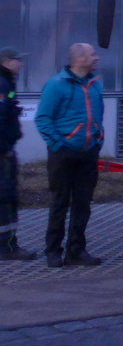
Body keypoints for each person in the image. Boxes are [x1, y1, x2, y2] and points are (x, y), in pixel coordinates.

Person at [36, 42, 105, 267]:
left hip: (88, 153)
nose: (97, 58)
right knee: (60, 202)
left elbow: (98, 117)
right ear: (80, 59)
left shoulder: (95, 85)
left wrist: (98, 139)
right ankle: (53, 250)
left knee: (83, 204)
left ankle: (76, 250)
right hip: (63, 154)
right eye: (92, 54)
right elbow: (43, 118)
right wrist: (58, 145)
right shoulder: (56, 85)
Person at [0, 47, 37, 260]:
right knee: (5, 197)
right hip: (2, 153)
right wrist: (4, 149)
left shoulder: (6, 82)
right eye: (18, 61)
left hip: (5, 149)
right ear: (6, 61)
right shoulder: (2, 83)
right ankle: (6, 247)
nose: (21, 65)